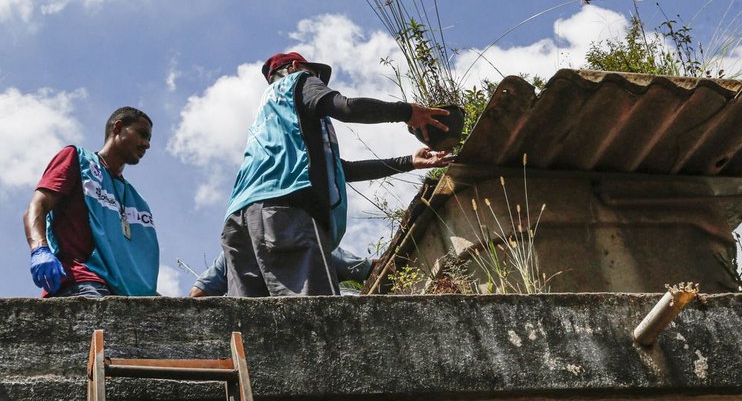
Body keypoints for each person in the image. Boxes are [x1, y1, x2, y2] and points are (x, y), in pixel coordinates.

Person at [222, 51, 451, 297]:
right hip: (283, 215)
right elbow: (347, 107)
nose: (318, 83)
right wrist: (407, 113)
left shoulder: (268, 118)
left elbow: (341, 170)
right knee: (317, 316)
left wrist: (408, 162)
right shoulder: (297, 81)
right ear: (296, 66)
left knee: (252, 326)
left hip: (238, 225)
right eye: (315, 75)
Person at [23, 107, 158, 298]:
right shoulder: (77, 159)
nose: (147, 144)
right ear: (118, 127)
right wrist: (40, 249)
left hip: (123, 294)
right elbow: (37, 206)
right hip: (82, 281)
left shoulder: (137, 200)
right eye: (142, 134)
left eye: (149, 139)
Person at [188, 247, 373, 297]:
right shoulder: (303, 232)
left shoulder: (232, 252)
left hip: (249, 339)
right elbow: (363, 269)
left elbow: (197, 294)